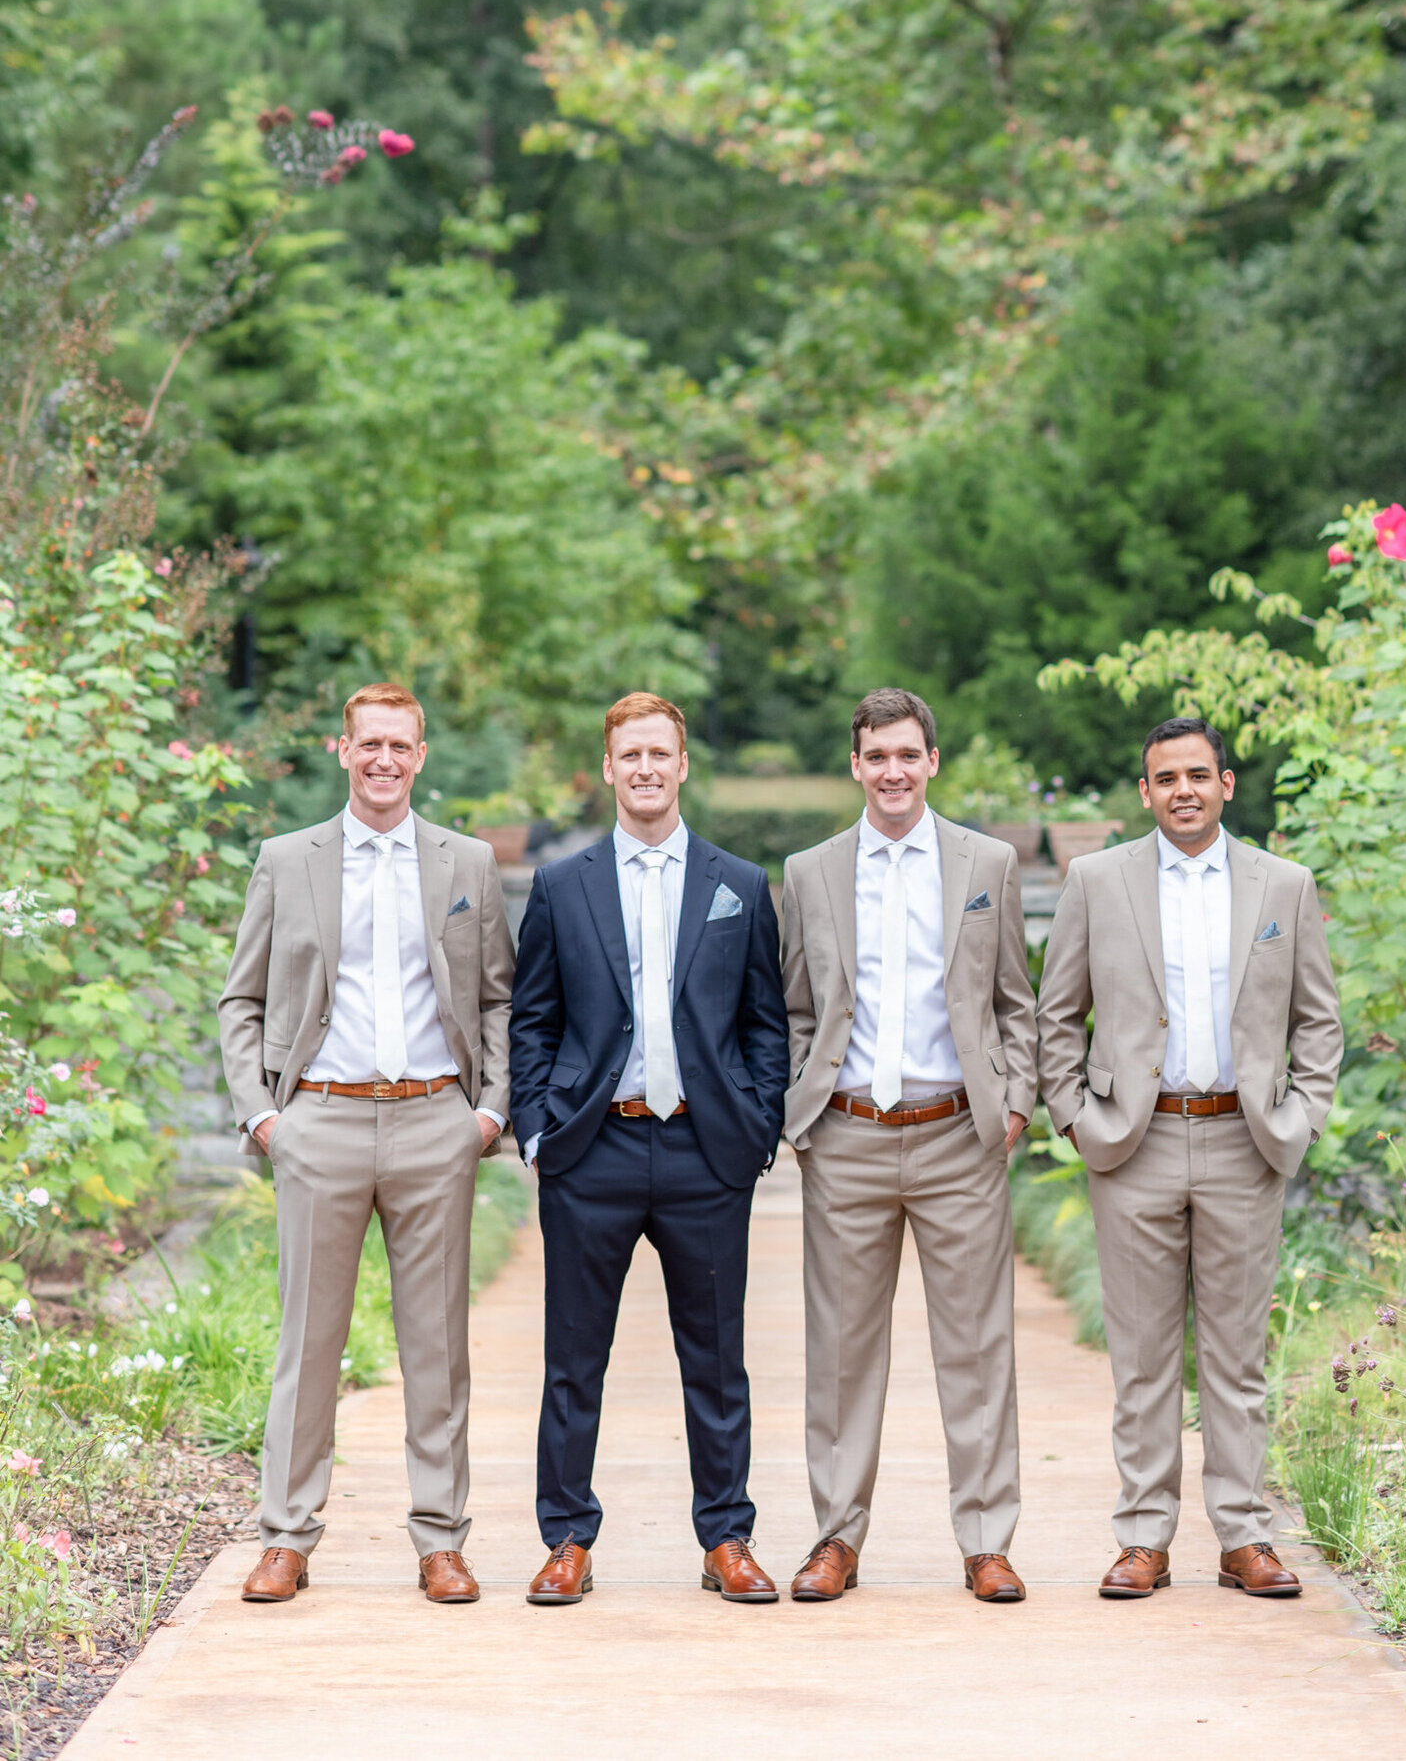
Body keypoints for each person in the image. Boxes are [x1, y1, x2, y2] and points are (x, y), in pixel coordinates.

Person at [1036, 716, 1344, 1600]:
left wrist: (1301, 1115)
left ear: (1227, 784)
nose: (1183, 791)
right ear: (1144, 792)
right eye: (1165, 778)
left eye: (1198, 776)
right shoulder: (1098, 880)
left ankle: (1245, 1536)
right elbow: (1058, 1014)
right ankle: (1144, 1538)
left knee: (1237, 1358)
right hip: (1134, 1144)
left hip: (1247, 1144)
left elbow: (1318, 1019)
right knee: (1141, 1359)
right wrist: (1077, 1119)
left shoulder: (1281, 885)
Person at [218, 683, 513, 1605]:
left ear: (421, 756)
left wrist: (489, 1114)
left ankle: (441, 1540)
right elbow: (242, 999)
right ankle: (287, 1536)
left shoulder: (466, 862)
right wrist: (265, 1119)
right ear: (341, 750)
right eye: (369, 743)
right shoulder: (287, 859)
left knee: (438, 1343)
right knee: (309, 1342)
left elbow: (499, 998)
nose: (385, 759)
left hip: (435, 1122)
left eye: (401, 745)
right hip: (321, 1120)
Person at [509, 692, 789, 1605]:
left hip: (707, 1155)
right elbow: (534, 1018)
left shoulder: (738, 884)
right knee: (573, 1359)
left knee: (715, 1359)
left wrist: (757, 1125)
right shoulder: (562, 885)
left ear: (680, 764)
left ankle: (727, 1539)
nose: (644, 769)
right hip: (593, 1151)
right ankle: (567, 1542)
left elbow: (764, 1022)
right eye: (629, 755)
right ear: (607, 769)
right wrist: (539, 1124)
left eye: (659, 754)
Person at [779, 688, 1037, 1604]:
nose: (892, 771)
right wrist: (800, 1112)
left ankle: (985, 1540)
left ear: (933, 761)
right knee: (842, 1351)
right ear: (855, 766)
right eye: (875, 756)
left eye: (907, 754)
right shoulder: (811, 871)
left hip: (958, 1136)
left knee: (976, 1346)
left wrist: (1013, 1103)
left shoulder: (986, 862)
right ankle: (836, 1539)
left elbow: (1015, 998)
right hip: (846, 1136)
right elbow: (797, 1005)